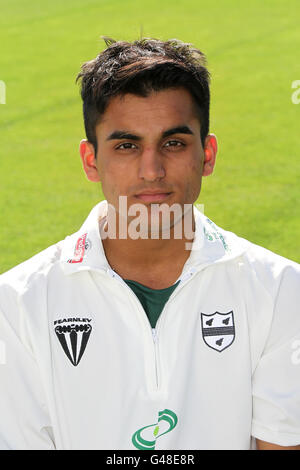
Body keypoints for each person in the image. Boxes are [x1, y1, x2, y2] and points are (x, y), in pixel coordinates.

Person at [0, 37, 299, 451]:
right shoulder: (16, 304)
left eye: (173, 143)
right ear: (91, 161)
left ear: (207, 154)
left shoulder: (282, 289)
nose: (152, 170)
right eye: (127, 145)